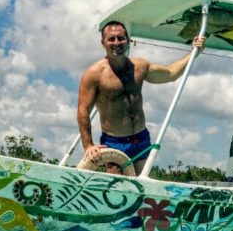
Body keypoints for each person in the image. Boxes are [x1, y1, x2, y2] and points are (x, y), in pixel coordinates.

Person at [77, 20, 205, 174]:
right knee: (118, 191)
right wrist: (88, 145)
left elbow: (170, 73)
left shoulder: (139, 67)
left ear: (128, 40)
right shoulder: (93, 74)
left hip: (140, 138)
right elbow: (83, 110)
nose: (117, 42)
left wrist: (194, 52)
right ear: (103, 42)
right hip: (114, 143)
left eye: (121, 38)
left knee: (141, 189)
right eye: (111, 39)